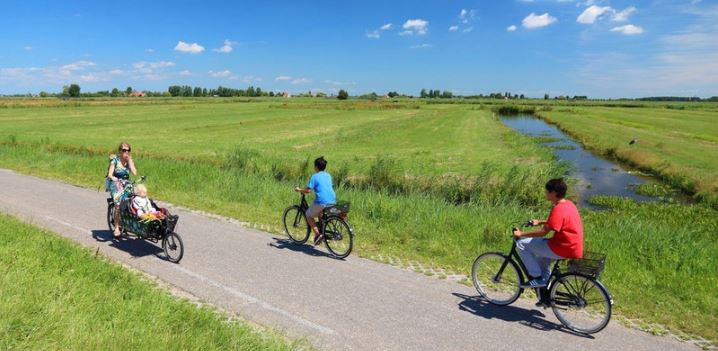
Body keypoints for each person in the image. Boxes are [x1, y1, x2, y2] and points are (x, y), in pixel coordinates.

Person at [512, 178, 583, 295]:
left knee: (521, 244)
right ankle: (546, 291)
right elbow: (559, 222)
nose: (545, 193)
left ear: (553, 193)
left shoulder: (558, 209)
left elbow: (542, 233)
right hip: (573, 247)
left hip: (561, 247)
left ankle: (537, 278)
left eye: (546, 191)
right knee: (541, 262)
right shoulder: (569, 204)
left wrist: (521, 234)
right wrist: (540, 221)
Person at [294, 156, 336, 245]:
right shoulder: (328, 175)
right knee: (320, 213)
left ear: (316, 166)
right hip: (332, 200)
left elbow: (308, 190)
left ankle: (318, 234)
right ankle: (322, 230)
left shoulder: (315, 176)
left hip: (322, 202)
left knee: (308, 215)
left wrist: (299, 190)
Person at [107, 142, 137, 238]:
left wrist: (130, 161)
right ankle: (116, 227)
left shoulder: (129, 160)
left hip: (126, 183)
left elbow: (134, 173)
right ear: (120, 151)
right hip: (115, 183)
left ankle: (132, 225)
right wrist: (114, 178)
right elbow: (110, 174)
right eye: (124, 150)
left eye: (128, 150)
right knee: (118, 205)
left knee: (134, 200)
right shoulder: (115, 161)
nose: (126, 152)